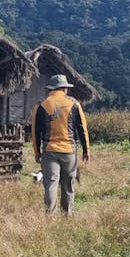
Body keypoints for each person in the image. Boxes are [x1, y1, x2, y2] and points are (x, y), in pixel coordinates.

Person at [30, 74, 91, 215]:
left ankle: (50, 216)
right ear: (65, 89)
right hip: (69, 151)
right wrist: (86, 150)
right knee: (68, 184)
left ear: (51, 89)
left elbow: (35, 132)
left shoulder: (41, 105)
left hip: (49, 150)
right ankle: (67, 214)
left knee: (50, 184)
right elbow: (82, 128)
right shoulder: (74, 104)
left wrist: (37, 152)